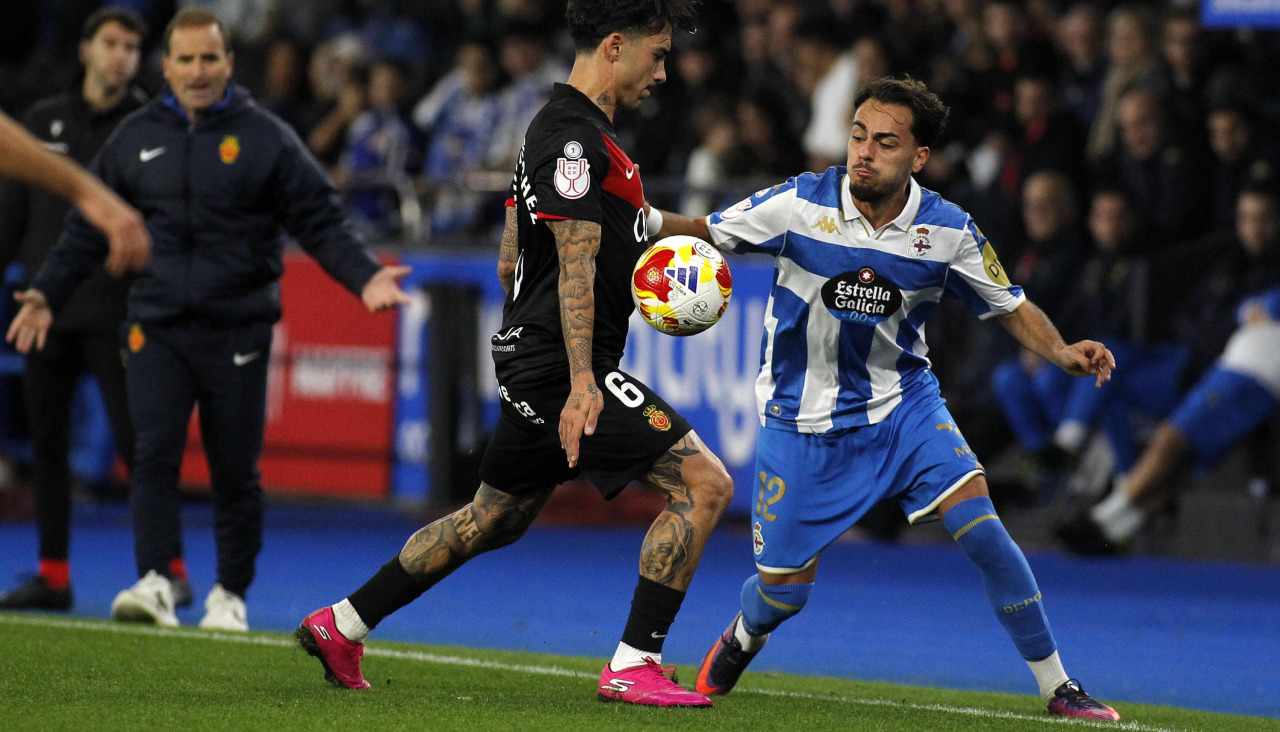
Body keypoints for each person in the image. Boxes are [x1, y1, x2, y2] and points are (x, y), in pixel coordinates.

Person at [296, 0, 734, 708]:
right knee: (704, 485)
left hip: (534, 360)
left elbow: (514, 257)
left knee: (494, 516)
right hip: (562, 367)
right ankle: (634, 663)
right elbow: (576, 261)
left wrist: (733, 231)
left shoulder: (560, 129)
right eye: (656, 55)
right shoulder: (575, 140)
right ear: (615, 45)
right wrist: (584, 382)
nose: (662, 73)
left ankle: (342, 624)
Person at [648, 76, 1121, 720]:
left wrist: (1062, 351)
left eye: (886, 143)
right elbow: (702, 228)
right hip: (801, 421)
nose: (864, 152)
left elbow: (1009, 304)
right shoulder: (799, 202)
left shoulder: (948, 230)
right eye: (858, 136)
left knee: (984, 533)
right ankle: (745, 634)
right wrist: (637, 217)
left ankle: (1058, 686)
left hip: (904, 407)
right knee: (784, 595)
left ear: (919, 157)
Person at [7, 7, 411, 632]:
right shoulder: (135, 137)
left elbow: (321, 219)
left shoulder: (267, 138)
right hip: (156, 325)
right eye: (186, 59)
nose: (197, 71)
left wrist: (364, 277)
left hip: (238, 329)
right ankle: (156, 581)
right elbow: (88, 229)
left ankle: (229, 594)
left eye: (209, 59)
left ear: (228, 63)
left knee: (234, 469)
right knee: (152, 455)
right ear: (167, 67)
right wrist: (47, 292)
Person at [0, 8, 197, 613]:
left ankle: (168, 571)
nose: (121, 56)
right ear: (86, 49)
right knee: (47, 447)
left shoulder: (157, 125)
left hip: (123, 311)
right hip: (47, 309)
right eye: (111, 43)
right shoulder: (42, 121)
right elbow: (12, 215)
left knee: (142, 446)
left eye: (132, 47)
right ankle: (54, 576)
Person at [1064, 285, 1280, 552]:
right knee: (1185, 459)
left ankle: (1098, 520)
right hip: (1249, 376)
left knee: (1172, 439)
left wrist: (1257, 308)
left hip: (1247, 376)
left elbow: (1269, 306)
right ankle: (1116, 529)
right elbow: (1243, 309)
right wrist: (1251, 309)